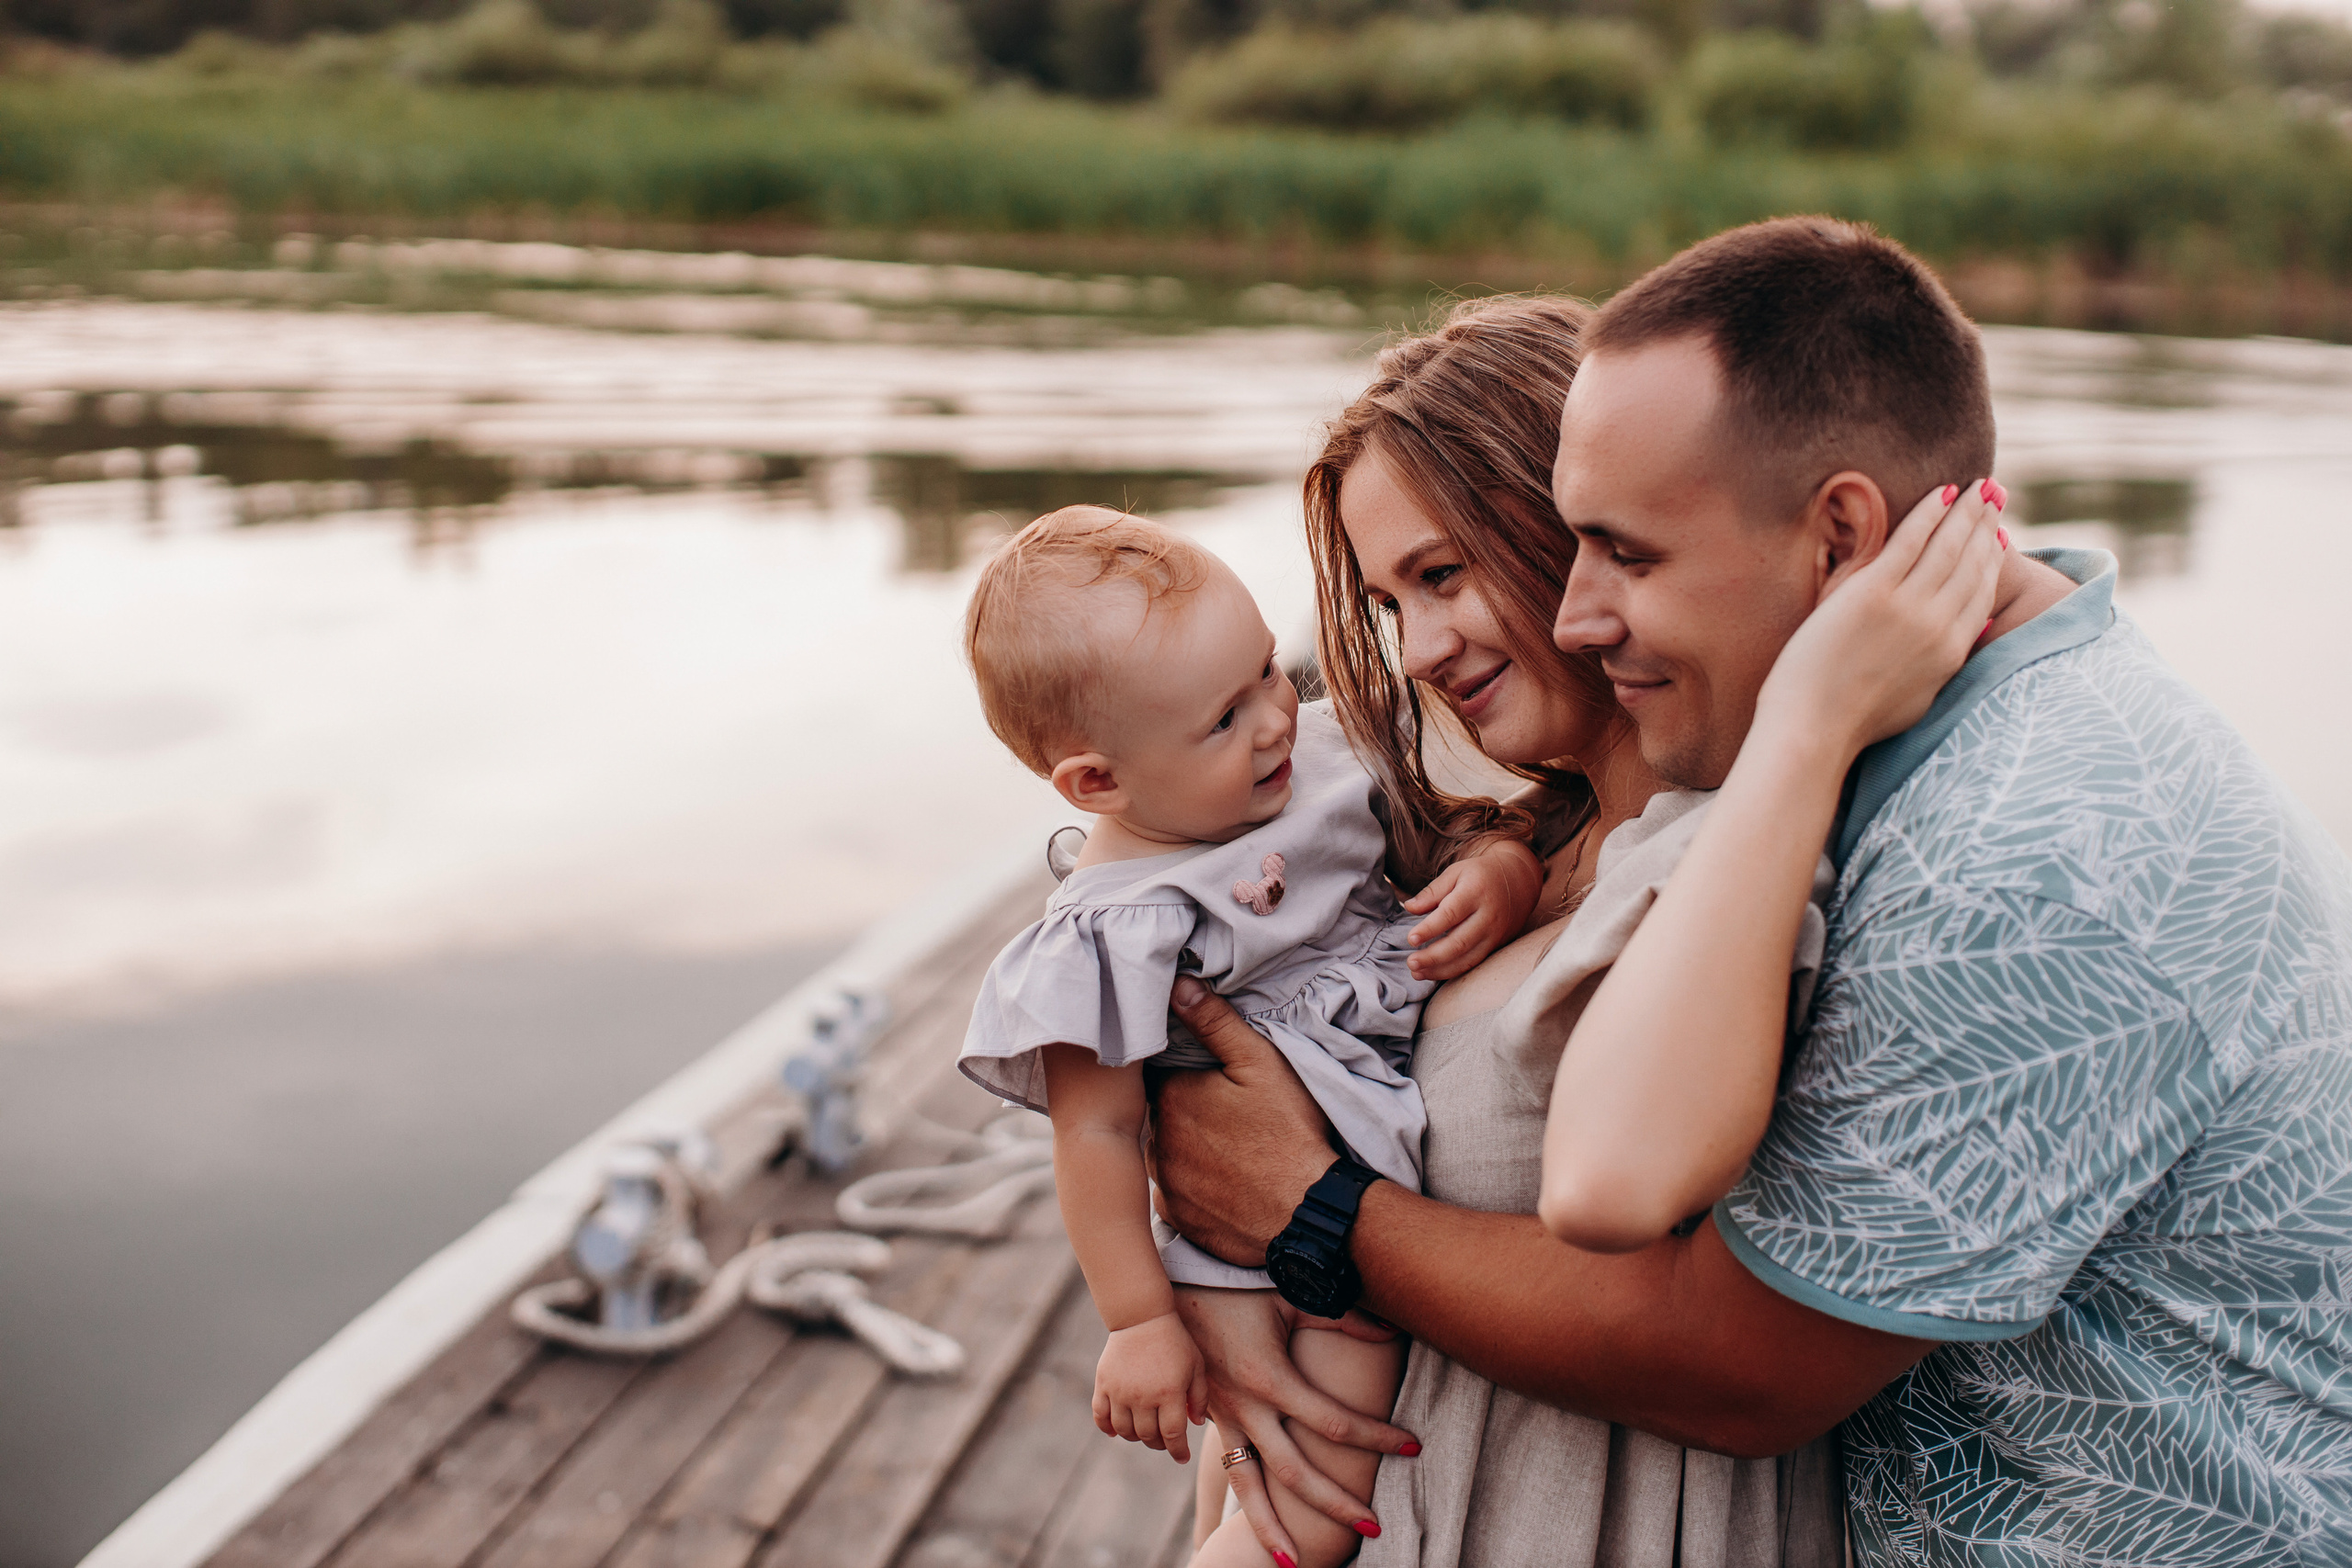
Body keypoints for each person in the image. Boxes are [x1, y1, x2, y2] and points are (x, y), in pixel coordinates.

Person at [1154, 219, 2352, 1566]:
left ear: (1843, 535)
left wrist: (1313, 1212)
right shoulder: (1903, 741)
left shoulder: (2037, 848)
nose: (1586, 611)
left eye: (1623, 548)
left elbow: (1731, 1353)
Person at [1171, 292, 1973, 1567]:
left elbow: (1707, 1311)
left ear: (1584, 526)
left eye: (1444, 573)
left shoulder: (1735, 859)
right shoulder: (1537, 837)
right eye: (1389, 603)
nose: (1420, 647)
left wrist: (1303, 1210)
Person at [956, 505, 1544, 1568]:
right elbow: (1094, 1138)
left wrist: (1498, 872)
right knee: (1311, 1518)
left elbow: (1458, 831)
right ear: (1098, 783)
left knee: (1245, 1491)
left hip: (1347, 1168)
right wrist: (1139, 1322)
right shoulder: (1113, 930)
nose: (1275, 718)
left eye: (1270, 670)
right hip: (1260, 1255)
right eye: (1223, 719)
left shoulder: (1316, 765)